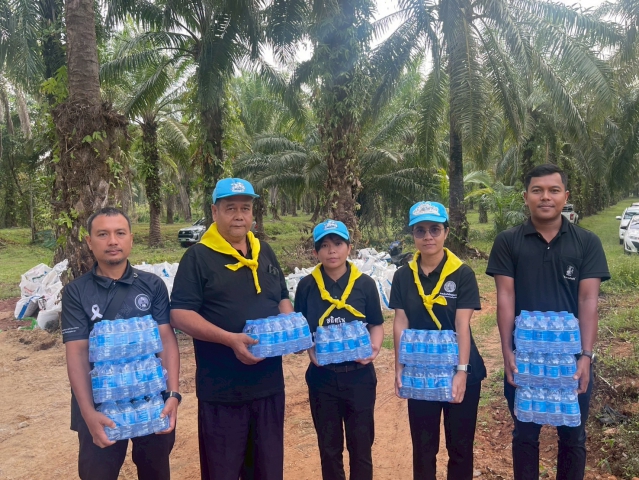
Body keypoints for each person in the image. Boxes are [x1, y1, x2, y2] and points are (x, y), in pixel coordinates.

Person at [486, 164, 610, 480]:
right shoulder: (508, 241)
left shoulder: (586, 242)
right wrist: (507, 351)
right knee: (525, 434)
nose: (545, 197)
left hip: (571, 360)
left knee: (573, 437)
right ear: (525, 196)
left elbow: (588, 301)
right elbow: (505, 297)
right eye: (537, 190)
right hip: (525, 358)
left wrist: (586, 356)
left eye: (554, 190)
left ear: (565, 196)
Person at [170, 178, 293, 480]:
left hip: (268, 386)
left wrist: (290, 328)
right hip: (222, 391)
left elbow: (281, 297)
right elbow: (180, 314)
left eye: (245, 208)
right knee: (222, 471)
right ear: (215, 212)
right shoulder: (197, 257)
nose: (239, 215)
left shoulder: (264, 251)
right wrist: (228, 339)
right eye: (231, 208)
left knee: (268, 471)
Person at [62, 207, 180, 480]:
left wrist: (172, 394)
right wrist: (88, 413)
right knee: (98, 473)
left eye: (120, 233)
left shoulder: (152, 285)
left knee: (155, 471)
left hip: (150, 399)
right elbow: (77, 352)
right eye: (103, 234)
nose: (112, 241)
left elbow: (166, 340)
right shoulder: (76, 291)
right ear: (89, 241)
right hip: (100, 404)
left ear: (131, 239)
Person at [390, 201, 486, 480]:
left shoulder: (462, 273)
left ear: (446, 232)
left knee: (460, 448)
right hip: (421, 372)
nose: (428, 236)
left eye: (435, 229)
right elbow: (401, 322)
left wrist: (461, 372)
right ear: (413, 235)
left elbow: (462, 325)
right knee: (423, 448)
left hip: (459, 368)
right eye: (420, 230)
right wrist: (399, 367)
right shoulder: (403, 276)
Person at [294, 219, 385, 480]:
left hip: (359, 376)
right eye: (324, 245)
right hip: (322, 378)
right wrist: (309, 350)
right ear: (315, 252)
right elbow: (301, 330)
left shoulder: (365, 284)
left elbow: (376, 324)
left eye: (337, 243)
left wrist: (374, 349)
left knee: (361, 446)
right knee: (329, 448)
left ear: (349, 248)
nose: (331, 250)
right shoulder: (307, 286)